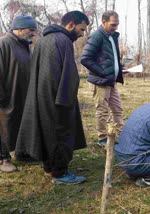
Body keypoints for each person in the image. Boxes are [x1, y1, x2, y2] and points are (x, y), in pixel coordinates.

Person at [16, 11, 89, 184]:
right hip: (58, 99)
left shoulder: (43, 39)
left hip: (42, 97)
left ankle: (49, 166)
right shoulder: (63, 41)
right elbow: (68, 76)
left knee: (47, 132)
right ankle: (60, 173)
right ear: (71, 24)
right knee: (60, 133)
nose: (82, 33)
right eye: (81, 29)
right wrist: (66, 102)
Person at [81, 11, 126, 146]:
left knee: (117, 109)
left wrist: (120, 67)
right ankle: (102, 138)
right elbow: (85, 59)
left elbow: (109, 58)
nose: (115, 27)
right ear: (104, 22)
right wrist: (103, 72)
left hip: (111, 81)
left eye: (117, 25)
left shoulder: (112, 36)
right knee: (102, 111)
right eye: (113, 24)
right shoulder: (96, 36)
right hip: (100, 82)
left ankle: (122, 136)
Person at [0, 14, 37, 172]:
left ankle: (21, 153)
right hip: (6, 95)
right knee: (4, 126)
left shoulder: (23, 44)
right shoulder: (4, 43)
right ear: (19, 28)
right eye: (31, 29)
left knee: (19, 124)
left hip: (21, 95)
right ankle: (3, 159)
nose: (34, 33)